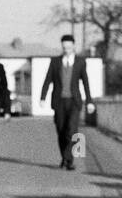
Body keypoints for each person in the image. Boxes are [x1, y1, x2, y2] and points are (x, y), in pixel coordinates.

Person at [40, 33, 95, 170]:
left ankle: (69, 160)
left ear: (73, 47)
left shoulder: (80, 62)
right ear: (62, 47)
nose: (67, 50)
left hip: (74, 101)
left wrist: (89, 101)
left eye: (69, 48)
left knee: (72, 131)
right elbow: (48, 80)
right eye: (64, 48)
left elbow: (86, 82)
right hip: (59, 101)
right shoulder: (55, 61)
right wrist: (42, 97)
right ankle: (64, 158)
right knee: (61, 131)